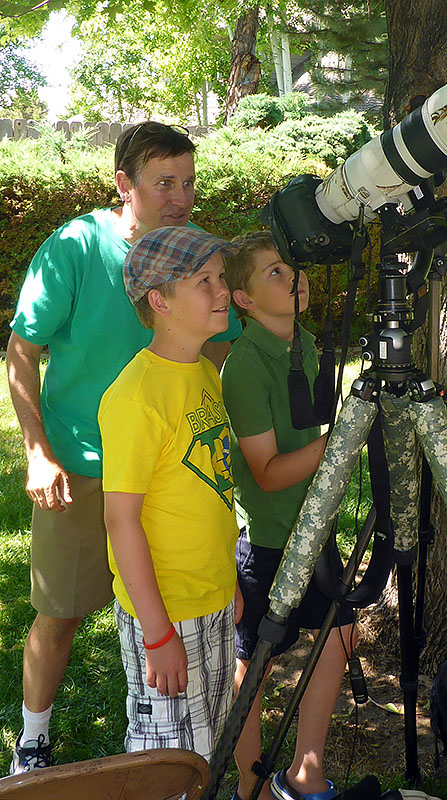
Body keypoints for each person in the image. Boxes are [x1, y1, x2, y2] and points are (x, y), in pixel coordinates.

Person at [6, 121, 241, 774]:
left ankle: (167, 728)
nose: (181, 198)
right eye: (164, 183)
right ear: (123, 184)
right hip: (84, 468)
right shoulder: (74, 248)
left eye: (189, 183)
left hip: (171, 478)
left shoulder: (197, 257)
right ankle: (33, 740)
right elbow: (23, 348)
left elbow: (220, 347)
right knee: (59, 617)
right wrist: (37, 450)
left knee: (164, 615)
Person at [221, 230, 356, 800]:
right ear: (243, 300)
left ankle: (306, 770)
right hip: (272, 538)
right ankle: (248, 779)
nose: (294, 278)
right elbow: (270, 471)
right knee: (256, 662)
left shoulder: (305, 340)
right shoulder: (245, 367)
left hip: (315, 525)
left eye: (293, 267)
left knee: (340, 634)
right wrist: (341, 441)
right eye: (274, 272)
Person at [99, 225, 241, 758]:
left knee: (211, 737)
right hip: (166, 609)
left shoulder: (204, 371)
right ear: (159, 300)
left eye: (221, 277)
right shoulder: (136, 399)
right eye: (204, 281)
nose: (223, 290)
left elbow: (210, 483)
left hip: (213, 599)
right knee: (170, 758)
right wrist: (157, 634)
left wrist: (227, 584)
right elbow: (121, 522)